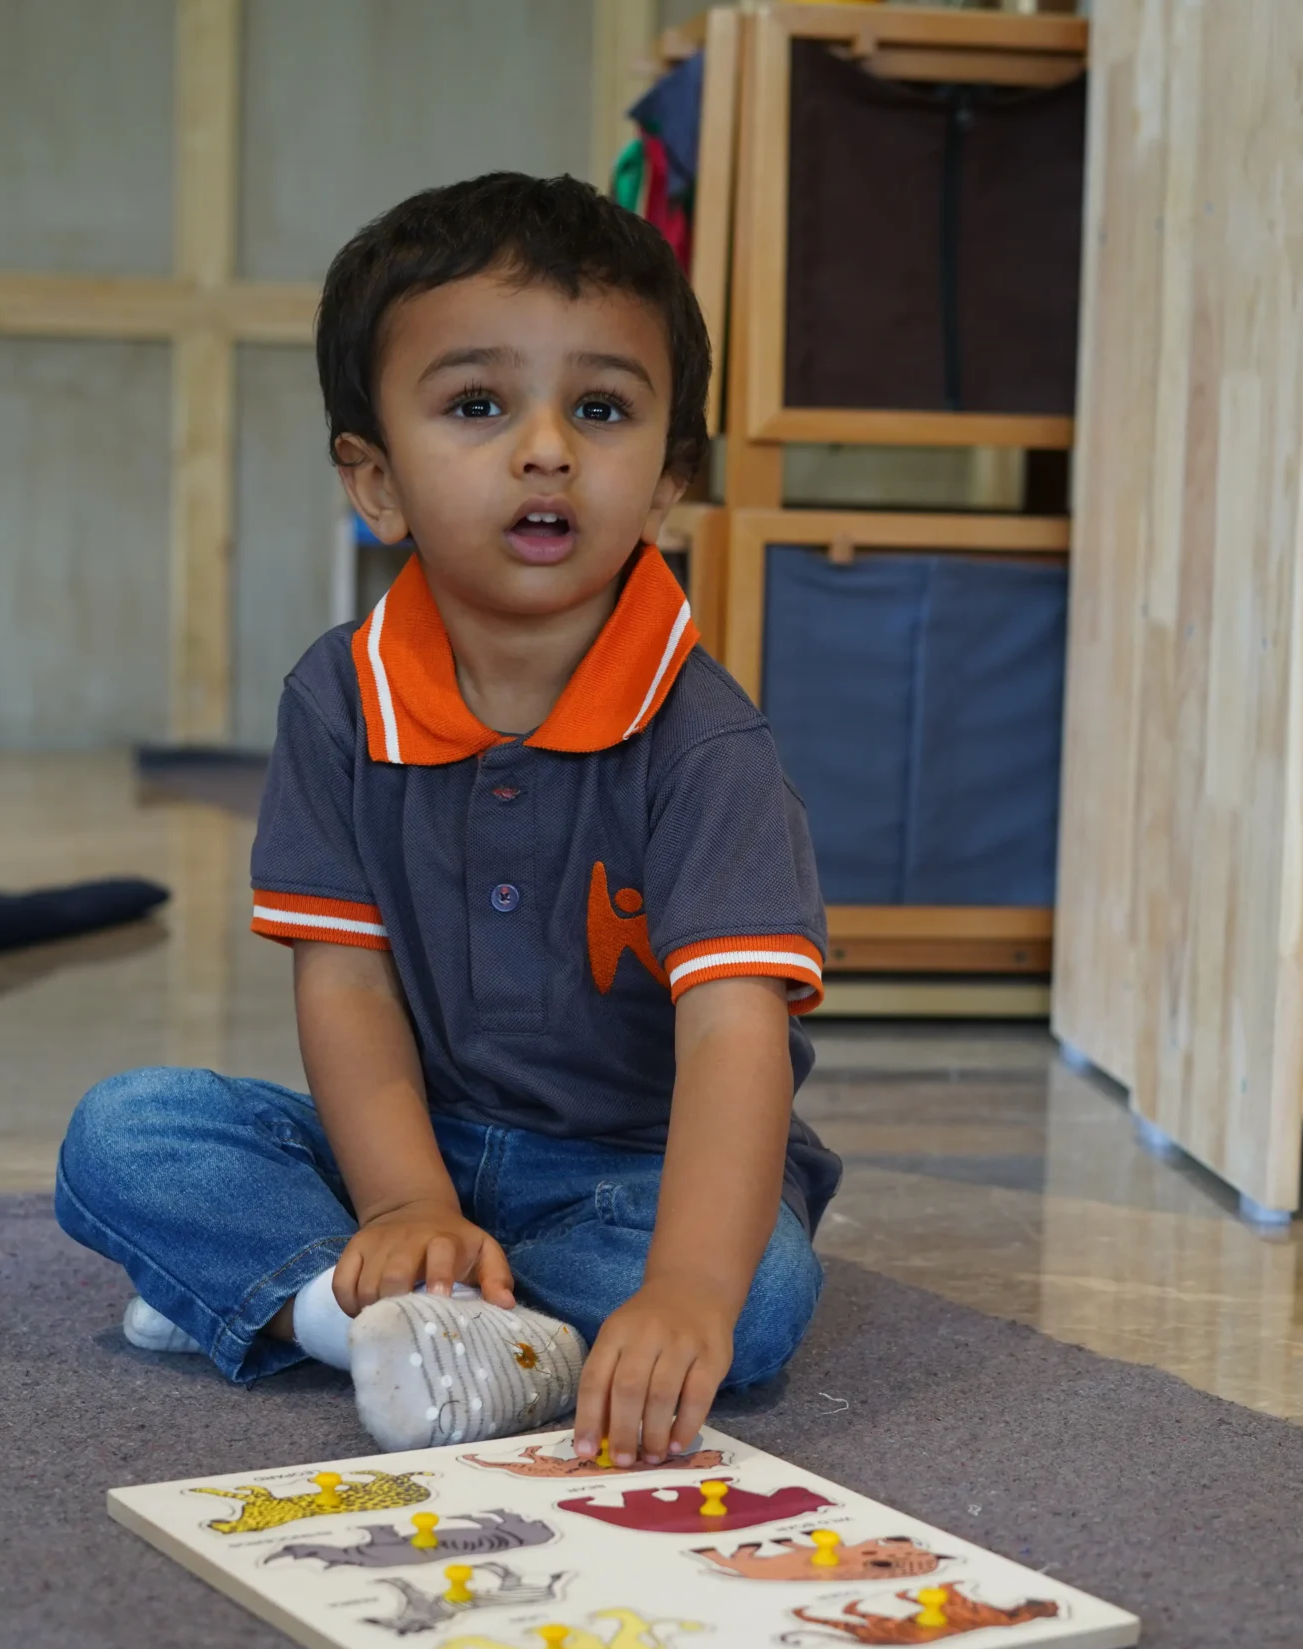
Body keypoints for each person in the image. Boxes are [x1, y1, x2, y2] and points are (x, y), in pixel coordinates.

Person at [55, 173, 837, 1469]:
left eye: (600, 408)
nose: (545, 448)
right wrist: (406, 1196)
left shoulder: (706, 741)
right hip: (407, 1139)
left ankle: (325, 1307)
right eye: (479, 405)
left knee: (754, 1305)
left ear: (667, 482)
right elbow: (348, 987)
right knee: (124, 1134)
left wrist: (688, 1285)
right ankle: (368, 1313)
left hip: (626, 1172)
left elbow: (732, 1036)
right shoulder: (337, 698)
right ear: (375, 479)